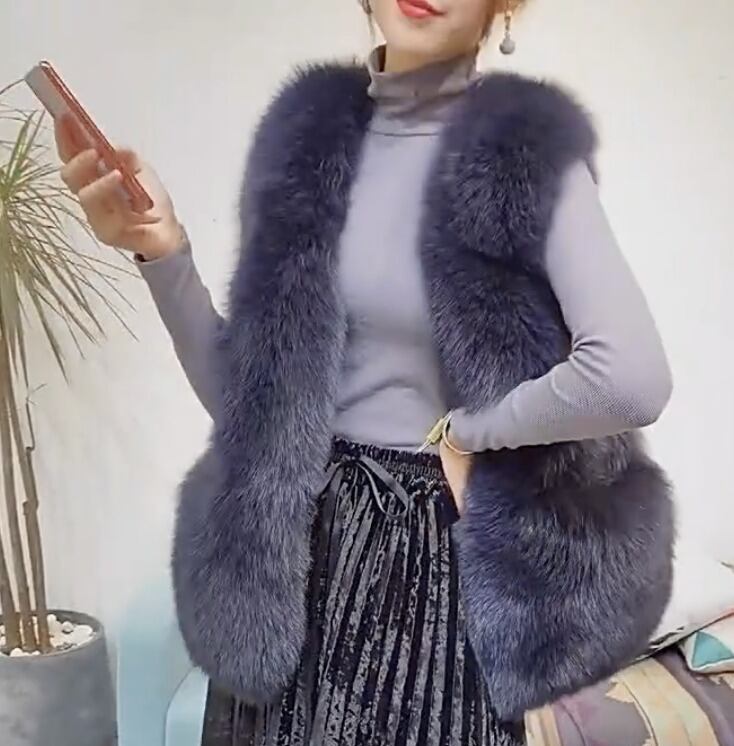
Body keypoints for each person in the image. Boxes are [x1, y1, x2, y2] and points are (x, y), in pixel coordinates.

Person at [55, 1, 674, 744]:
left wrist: (472, 432)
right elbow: (253, 409)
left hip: (433, 567)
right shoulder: (303, 144)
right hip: (300, 564)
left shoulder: (524, 158)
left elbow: (630, 375)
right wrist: (163, 253)